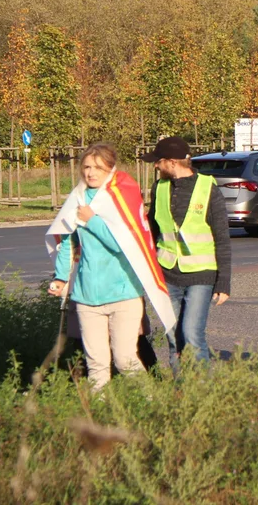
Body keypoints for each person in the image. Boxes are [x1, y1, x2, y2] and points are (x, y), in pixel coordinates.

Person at [46, 144, 149, 390]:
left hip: (123, 294)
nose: (91, 173)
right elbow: (67, 242)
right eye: (87, 167)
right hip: (86, 296)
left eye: (98, 168)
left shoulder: (122, 199)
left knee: (125, 360)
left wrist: (92, 221)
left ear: (111, 170)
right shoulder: (77, 198)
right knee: (97, 365)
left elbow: (124, 244)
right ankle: (98, 417)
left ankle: (151, 407)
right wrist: (61, 278)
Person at [144, 136, 232, 370]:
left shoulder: (208, 188)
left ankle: (202, 395)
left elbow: (222, 237)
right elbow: (152, 232)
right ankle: (181, 395)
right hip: (168, 276)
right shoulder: (159, 188)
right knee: (174, 340)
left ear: (171, 162)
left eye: (158, 161)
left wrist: (223, 283)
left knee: (192, 335)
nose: (155, 165)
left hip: (201, 276)